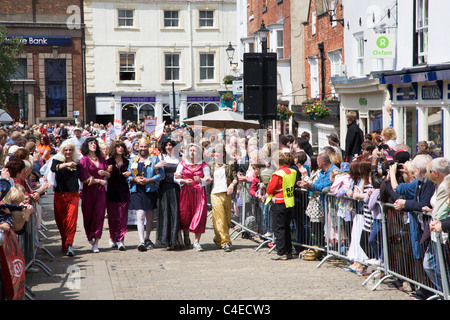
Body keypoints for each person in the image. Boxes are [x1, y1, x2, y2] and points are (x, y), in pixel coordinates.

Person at [128, 138, 164, 251]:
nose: (143, 149)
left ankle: (148, 238)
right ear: (137, 147)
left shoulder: (154, 159)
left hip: (150, 189)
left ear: (148, 147)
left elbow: (161, 174)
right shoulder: (133, 160)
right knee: (140, 215)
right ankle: (141, 241)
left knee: (149, 216)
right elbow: (127, 176)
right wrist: (134, 179)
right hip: (137, 189)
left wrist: (149, 180)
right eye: (141, 147)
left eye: (145, 147)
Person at [175, 143, 211, 252]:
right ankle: (186, 233)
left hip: (199, 192)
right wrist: (184, 181)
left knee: (199, 215)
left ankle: (196, 241)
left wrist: (201, 180)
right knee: (185, 215)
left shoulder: (203, 165)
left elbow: (208, 179)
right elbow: (175, 178)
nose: (192, 152)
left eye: (194, 150)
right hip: (186, 192)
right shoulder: (182, 164)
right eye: (190, 150)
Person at [421, 158, 450, 292]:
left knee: (441, 267)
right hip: (435, 232)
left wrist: (442, 224)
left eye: (430, 171)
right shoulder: (437, 185)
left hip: (442, 233)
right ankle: (443, 292)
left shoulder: (446, 185)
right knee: (429, 264)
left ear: (436, 173)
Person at [79, 137, 110, 253]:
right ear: (87, 145)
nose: (93, 145)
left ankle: (96, 242)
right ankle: (89, 236)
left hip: (101, 192)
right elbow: (84, 179)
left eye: (95, 143)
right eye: (91, 143)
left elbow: (108, 175)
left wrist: (105, 173)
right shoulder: (84, 160)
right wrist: (99, 180)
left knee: (100, 215)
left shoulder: (101, 159)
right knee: (88, 216)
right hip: (88, 192)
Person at [50, 140, 80, 256]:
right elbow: (54, 168)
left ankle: (69, 245)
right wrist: (66, 164)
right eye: (66, 150)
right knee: (61, 221)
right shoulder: (57, 161)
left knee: (71, 221)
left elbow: (83, 176)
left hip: (73, 194)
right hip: (60, 195)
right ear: (62, 151)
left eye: (70, 150)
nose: (68, 152)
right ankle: (65, 244)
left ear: (73, 151)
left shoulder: (77, 162)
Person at [265, 151, 296, 260]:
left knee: (279, 228)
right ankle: (288, 251)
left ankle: (281, 251)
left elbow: (270, 189)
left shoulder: (278, 173)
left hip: (279, 202)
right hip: (289, 201)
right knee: (286, 227)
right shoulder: (291, 171)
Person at [209, 144, 237, 252]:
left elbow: (235, 178)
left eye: (219, 152)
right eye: (215, 152)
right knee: (220, 217)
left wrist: (231, 185)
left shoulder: (228, 166)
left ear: (223, 154)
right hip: (215, 193)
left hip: (226, 194)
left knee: (226, 219)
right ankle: (226, 242)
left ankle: (218, 238)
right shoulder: (210, 166)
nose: (217, 154)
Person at [156, 139, 182, 250]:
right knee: (165, 212)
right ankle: (165, 240)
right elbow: (155, 171)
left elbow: (183, 172)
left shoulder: (179, 158)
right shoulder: (161, 157)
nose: (168, 147)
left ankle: (173, 240)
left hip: (175, 187)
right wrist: (157, 166)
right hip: (164, 188)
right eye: (166, 145)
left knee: (175, 212)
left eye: (170, 145)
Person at [106, 140, 131, 251]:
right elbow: (104, 175)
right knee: (113, 217)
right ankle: (113, 237)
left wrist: (130, 173)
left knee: (122, 217)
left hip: (124, 192)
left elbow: (133, 173)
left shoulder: (127, 162)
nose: (120, 148)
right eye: (117, 146)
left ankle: (121, 240)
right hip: (111, 192)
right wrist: (107, 170)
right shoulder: (109, 161)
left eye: (122, 146)